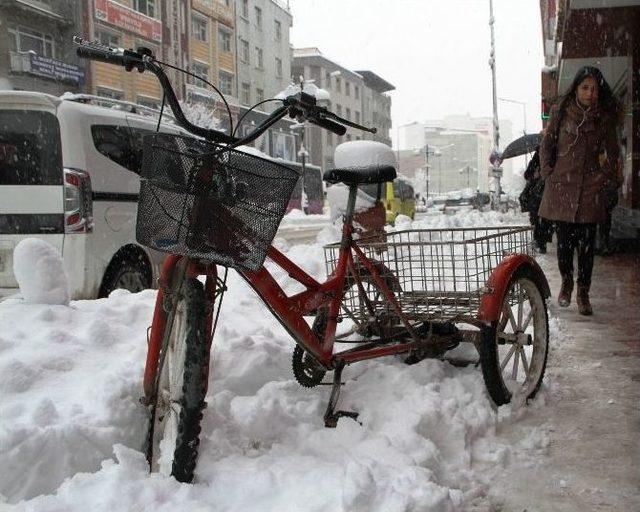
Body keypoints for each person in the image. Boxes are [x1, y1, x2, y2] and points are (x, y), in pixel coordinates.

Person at [538, 65, 623, 316]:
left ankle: (583, 292)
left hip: (590, 191)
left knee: (587, 247)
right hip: (562, 187)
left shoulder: (602, 120)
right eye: (585, 87)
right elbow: (547, 144)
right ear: (576, 88)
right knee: (564, 245)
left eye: (594, 89)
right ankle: (566, 283)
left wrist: (604, 177)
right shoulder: (560, 113)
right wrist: (547, 173)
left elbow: (614, 152)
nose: (590, 93)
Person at [521, 139, 553, 253]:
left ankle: (542, 241)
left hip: (547, 194)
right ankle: (540, 242)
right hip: (538, 195)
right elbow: (527, 174)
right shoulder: (536, 159)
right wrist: (535, 175)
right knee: (538, 219)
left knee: (544, 220)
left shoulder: (552, 158)